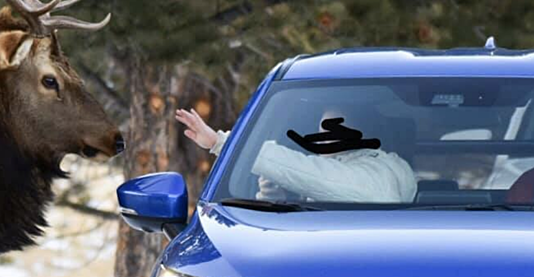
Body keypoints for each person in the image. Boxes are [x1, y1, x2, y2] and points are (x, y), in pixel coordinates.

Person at [176, 107, 417, 203]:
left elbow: (331, 181)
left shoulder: (385, 170)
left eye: (336, 128)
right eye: (323, 128)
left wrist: (222, 142)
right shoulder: (324, 177)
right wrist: (275, 201)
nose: (324, 136)